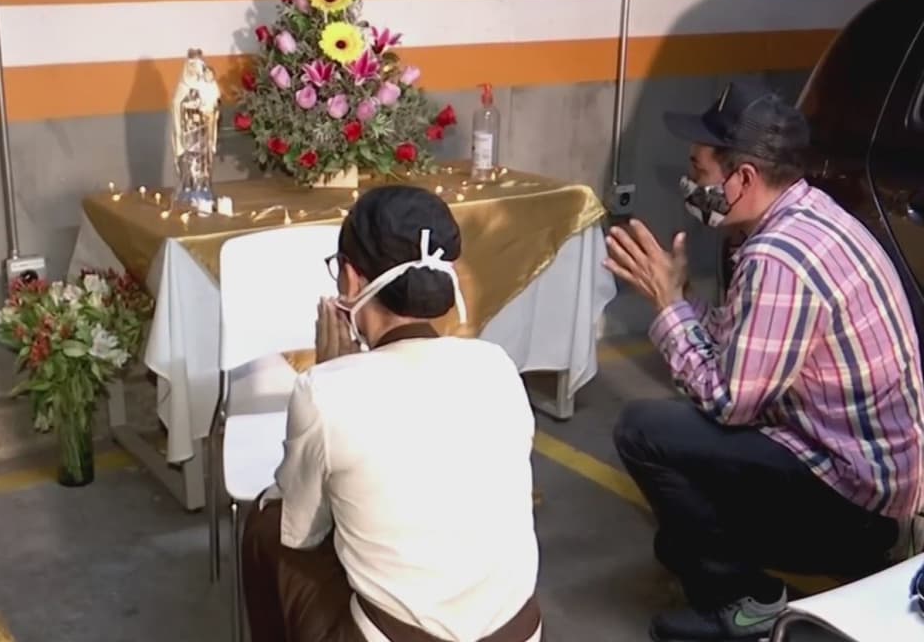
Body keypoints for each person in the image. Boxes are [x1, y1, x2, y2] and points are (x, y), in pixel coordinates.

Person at [605, 79, 924, 641]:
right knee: (677, 539)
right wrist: (683, 302)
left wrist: (666, 308)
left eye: (699, 171)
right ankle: (729, 554)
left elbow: (728, 401)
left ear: (744, 178)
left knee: (644, 431)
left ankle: (740, 602)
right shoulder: (808, 215)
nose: (690, 184)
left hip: (857, 506)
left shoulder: (778, 257)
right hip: (865, 478)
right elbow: (745, 347)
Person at [240, 185, 543, 642]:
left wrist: (332, 373)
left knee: (265, 526)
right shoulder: (497, 365)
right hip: (518, 633)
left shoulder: (325, 392)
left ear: (350, 279)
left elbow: (301, 531)